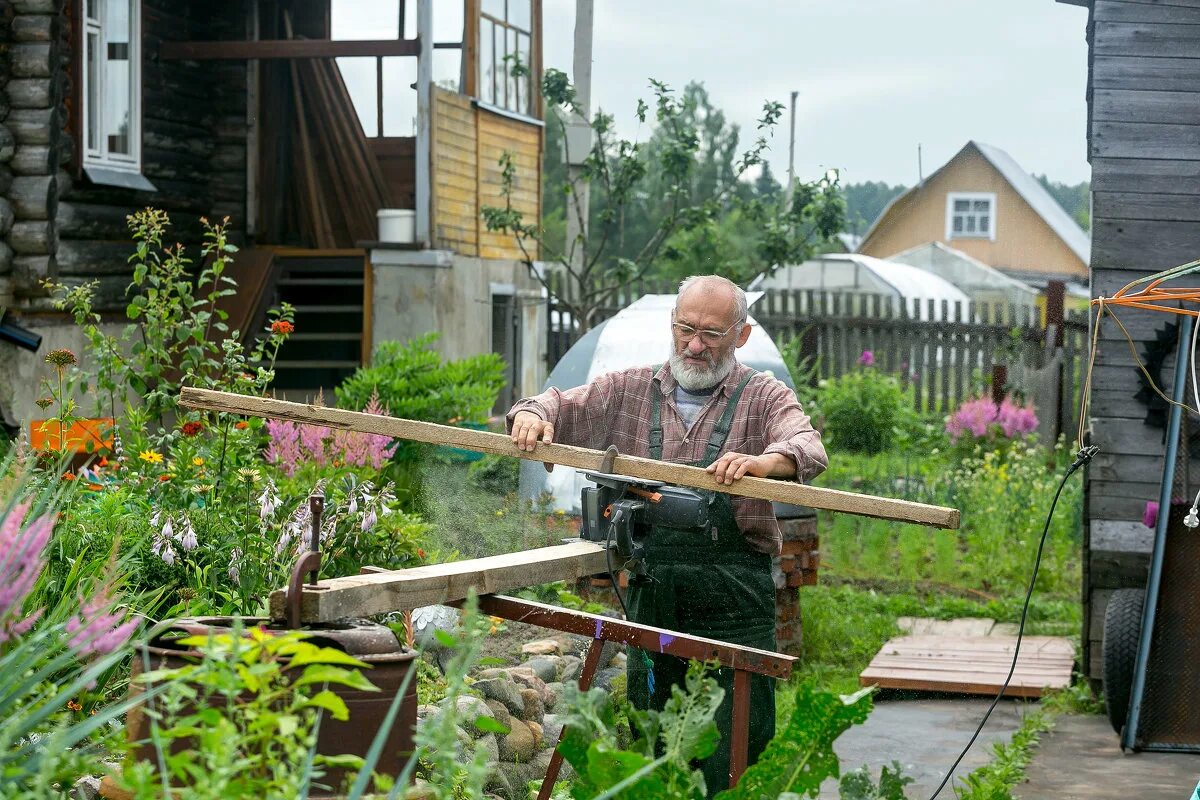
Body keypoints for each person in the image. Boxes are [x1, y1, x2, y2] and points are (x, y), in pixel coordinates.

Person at [507, 274, 827, 793]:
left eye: (712, 335)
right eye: (686, 330)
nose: (695, 345)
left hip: (735, 599)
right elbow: (554, 405)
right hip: (656, 591)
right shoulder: (629, 389)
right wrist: (531, 417)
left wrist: (766, 463)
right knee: (656, 746)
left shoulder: (763, 396)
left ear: (740, 337)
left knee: (737, 751)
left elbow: (808, 446)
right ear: (672, 326)